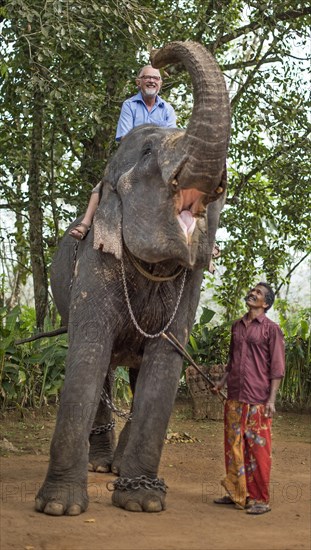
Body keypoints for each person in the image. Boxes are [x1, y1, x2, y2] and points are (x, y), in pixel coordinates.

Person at [69, 65, 177, 240]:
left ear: (160, 83)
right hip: (133, 160)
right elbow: (126, 138)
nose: (151, 81)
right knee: (102, 186)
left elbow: (170, 141)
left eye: (155, 78)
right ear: (138, 82)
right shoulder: (130, 105)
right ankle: (85, 224)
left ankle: (206, 244)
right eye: (147, 77)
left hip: (158, 163)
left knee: (189, 188)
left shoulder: (167, 109)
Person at [212, 282, 285, 515]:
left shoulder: (271, 329)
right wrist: (222, 382)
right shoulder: (237, 326)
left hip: (258, 400)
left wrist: (271, 401)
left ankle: (260, 498)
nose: (253, 293)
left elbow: (277, 368)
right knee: (233, 447)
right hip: (235, 397)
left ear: (266, 304)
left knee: (258, 451)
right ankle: (237, 493)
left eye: (259, 293)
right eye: (253, 290)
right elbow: (232, 361)